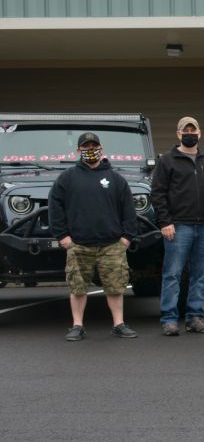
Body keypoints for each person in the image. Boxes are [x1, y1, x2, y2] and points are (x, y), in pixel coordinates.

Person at [48, 132, 138, 341]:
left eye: (94, 146)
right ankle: (77, 326)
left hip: (112, 245)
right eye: (86, 147)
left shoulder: (116, 179)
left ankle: (119, 324)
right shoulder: (67, 178)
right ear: (78, 150)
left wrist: (126, 237)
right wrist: (62, 236)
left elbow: (128, 209)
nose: (90, 150)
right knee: (78, 288)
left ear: (101, 149)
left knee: (115, 287)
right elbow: (55, 207)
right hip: (79, 245)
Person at [151, 115, 204, 336]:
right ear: (178, 134)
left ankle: (194, 317)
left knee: (199, 275)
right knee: (172, 274)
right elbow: (158, 193)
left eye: (193, 130)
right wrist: (165, 222)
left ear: (200, 134)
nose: (190, 134)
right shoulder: (167, 160)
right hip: (177, 227)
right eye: (185, 131)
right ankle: (169, 319)